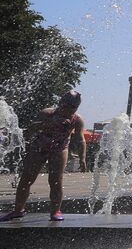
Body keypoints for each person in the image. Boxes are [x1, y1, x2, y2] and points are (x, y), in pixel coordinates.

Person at [1, 90, 86, 221]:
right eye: (66, 107)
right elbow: (30, 130)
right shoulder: (47, 113)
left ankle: (56, 211)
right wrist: (45, 125)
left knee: (56, 180)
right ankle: (18, 210)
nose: (69, 111)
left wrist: (83, 158)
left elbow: (80, 139)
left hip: (60, 149)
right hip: (39, 147)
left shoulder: (76, 120)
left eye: (73, 108)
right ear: (61, 104)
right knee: (27, 178)